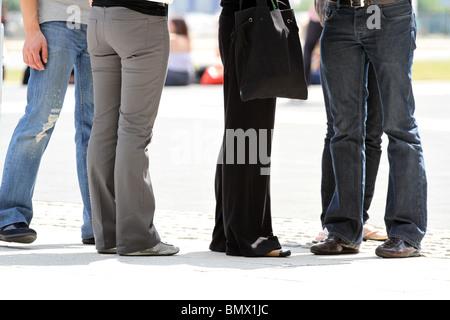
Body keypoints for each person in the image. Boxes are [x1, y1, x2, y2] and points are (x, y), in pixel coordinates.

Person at [310, 0, 427, 258]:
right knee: (343, 131)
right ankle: (343, 230)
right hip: (340, 15)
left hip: (389, 13)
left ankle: (405, 233)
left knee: (400, 127)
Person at [87, 0, 179, 256]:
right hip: (140, 20)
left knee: (103, 126)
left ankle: (109, 234)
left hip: (98, 20)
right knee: (134, 130)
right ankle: (137, 238)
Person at [0, 0, 94, 245]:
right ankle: (9, 214)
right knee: (40, 119)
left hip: (101, 23)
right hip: (55, 22)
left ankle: (99, 221)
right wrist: (32, 30)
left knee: (96, 127)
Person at [209, 0, 291, 258]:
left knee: (240, 129)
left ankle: (228, 231)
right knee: (251, 131)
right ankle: (248, 235)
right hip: (252, 22)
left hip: (244, 19)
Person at [315, 63, 387, 243]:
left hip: (380, 42)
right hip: (340, 40)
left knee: (372, 133)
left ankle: (359, 219)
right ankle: (332, 223)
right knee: (339, 130)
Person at [165, 16, 193, 86]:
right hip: (186, 76)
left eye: (170, 24)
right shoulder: (187, 39)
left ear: (175, 26)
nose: (168, 26)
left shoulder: (172, 38)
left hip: (173, 75)